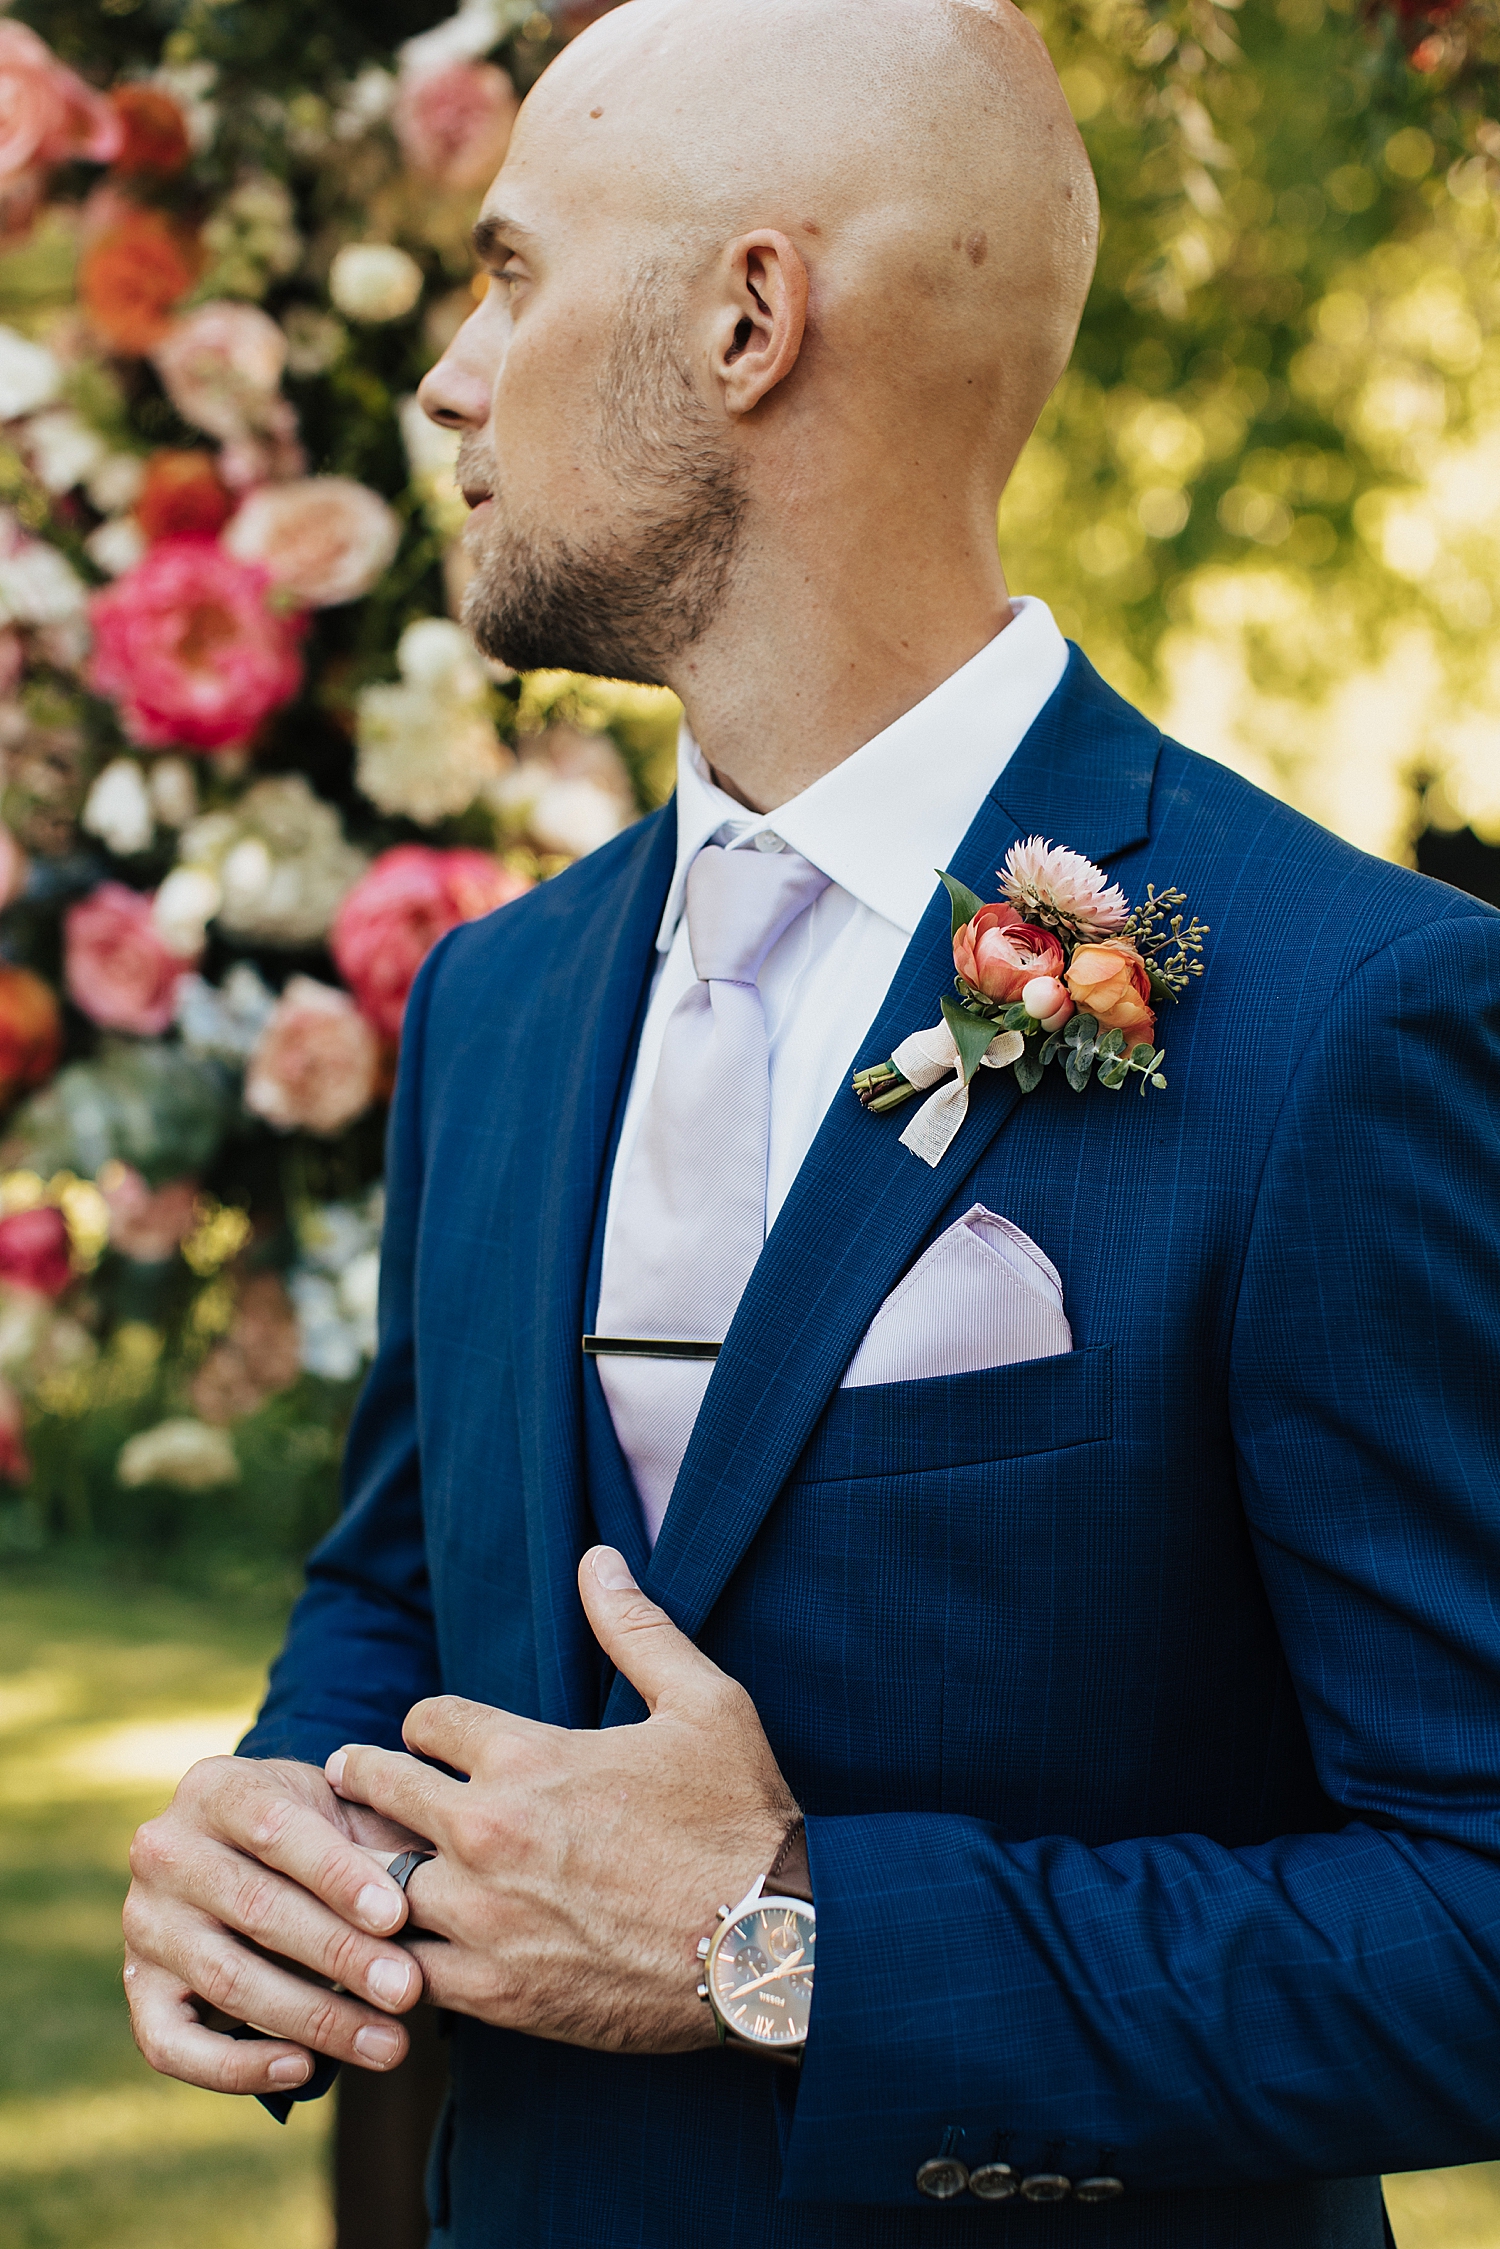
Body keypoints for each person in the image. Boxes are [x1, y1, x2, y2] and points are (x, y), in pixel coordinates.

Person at [121, 0, 1500, 2241]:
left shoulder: (1346, 1014)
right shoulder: (493, 1001)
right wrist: (283, 1827)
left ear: (751, 317)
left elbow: (1478, 1915)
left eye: (509, 276)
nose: (451, 382)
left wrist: (789, 1947)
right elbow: (408, 1583)